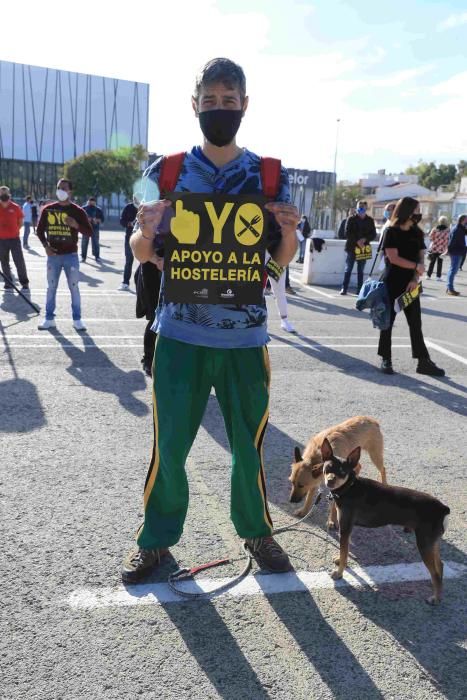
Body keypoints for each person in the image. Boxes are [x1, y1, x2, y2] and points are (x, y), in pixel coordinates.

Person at [122, 57, 299, 583]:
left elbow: (279, 260)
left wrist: (287, 232)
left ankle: (256, 530)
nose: (219, 109)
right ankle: (155, 541)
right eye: (210, 100)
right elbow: (138, 245)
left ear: (244, 104)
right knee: (170, 447)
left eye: (229, 100)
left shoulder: (269, 174)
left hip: (246, 338)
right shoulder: (167, 171)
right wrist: (149, 235)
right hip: (179, 334)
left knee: (249, 448)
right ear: (194, 104)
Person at [378, 196, 444, 376]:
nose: (419, 213)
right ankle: (386, 359)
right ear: (407, 211)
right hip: (391, 283)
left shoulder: (416, 231)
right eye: (416, 209)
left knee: (415, 323)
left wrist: (415, 278)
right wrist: (416, 267)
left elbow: (421, 257)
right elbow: (393, 258)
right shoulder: (391, 231)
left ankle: (423, 362)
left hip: (411, 284)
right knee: (388, 322)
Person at [36, 178, 93, 330]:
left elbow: (89, 232)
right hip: (53, 256)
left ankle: (77, 319)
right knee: (51, 287)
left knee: (74, 287)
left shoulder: (78, 211)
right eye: (59, 187)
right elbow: (39, 230)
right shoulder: (48, 209)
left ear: (70, 191)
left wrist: (76, 225)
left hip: (71, 256)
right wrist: (45, 246)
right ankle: (49, 318)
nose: (61, 190)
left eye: (64, 188)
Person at [340, 200, 376, 295]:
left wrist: (364, 239)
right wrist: (357, 241)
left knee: (360, 270)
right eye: (359, 207)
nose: (361, 209)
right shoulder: (351, 219)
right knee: (348, 268)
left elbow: (373, 234)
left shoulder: (370, 220)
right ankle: (344, 288)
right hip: (351, 247)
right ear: (356, 208)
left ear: (366, 208)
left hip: (363, 248)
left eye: (363, 207)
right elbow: (347, 232)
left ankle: (359, 290)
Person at [0, 185, 30, 291]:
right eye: (1, 193)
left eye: (5, 193)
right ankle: (8, 282)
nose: (3, 195)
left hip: (14, 239)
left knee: (19, 261)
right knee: (4, 262)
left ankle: (24, 282)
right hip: (1, 240)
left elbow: (20, 222)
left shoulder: (15, 207)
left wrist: (15, 230)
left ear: (9, 194)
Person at [446, 214, 467, 296]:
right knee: (453, 270)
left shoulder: (461, 228)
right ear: (463, 220)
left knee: (453, 270)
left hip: (459, 252)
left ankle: (449, 288)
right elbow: (451, 242)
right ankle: (450, 289)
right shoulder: (457, 229)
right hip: (456, 252)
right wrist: (449, 251)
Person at [119, 201, 137, 290]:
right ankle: (125, 283)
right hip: (129, 238)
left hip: (143, 239)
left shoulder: (145, 207)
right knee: (129, 261)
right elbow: (121, 221)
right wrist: (129, 223)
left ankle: (143, 285)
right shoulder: (128, 207)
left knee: (144, 262)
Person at [426, 216, 449, 281]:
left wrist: (435, 240)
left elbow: (430, 238)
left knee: (432, 262)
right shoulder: (447, 230)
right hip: (442, 249)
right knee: (440, 263)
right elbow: (447, 240)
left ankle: (428, 275)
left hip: (434, 248)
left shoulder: (435, 229)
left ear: (439, 221)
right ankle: (438, 277)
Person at [82, 196, 104, 262]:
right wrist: (86, 220)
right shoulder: (84, 209)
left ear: (95, 202)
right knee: (84, 243)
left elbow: (102, 219)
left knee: (96, 243)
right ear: (88, 202)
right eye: (90, 202)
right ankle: (83, 257)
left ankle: (97, 256)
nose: (91, 203)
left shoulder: (98, 209)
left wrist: (96, 220)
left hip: (95, 228)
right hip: (86, 228)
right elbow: (80, 218)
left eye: (93, 202)